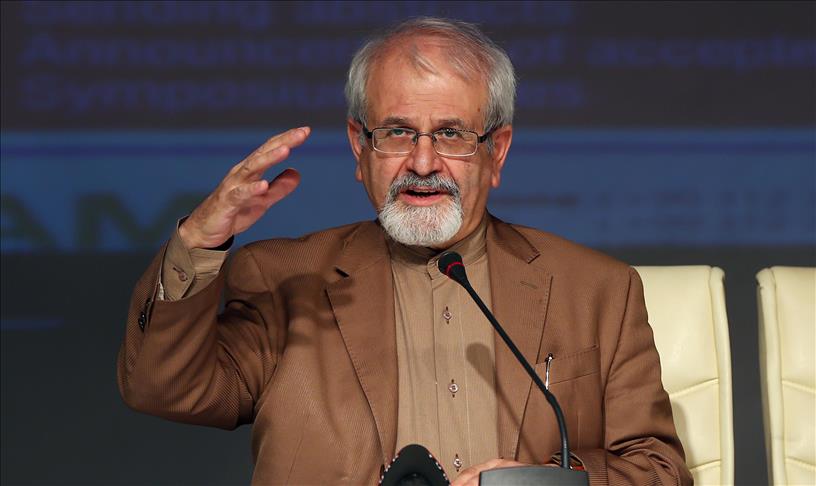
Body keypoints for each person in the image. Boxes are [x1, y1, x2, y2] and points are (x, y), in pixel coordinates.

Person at [118, 17, 692, 486]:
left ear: (496, 152)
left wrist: (534, 484)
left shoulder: (596, 289)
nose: (422, 162)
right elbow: (163, 389)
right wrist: (199, 242)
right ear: (359, 147)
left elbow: (659, 472)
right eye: (397, 132)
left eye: (451, 134)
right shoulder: (284, 279)